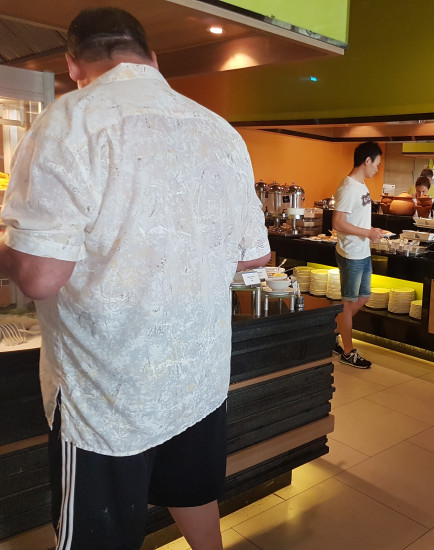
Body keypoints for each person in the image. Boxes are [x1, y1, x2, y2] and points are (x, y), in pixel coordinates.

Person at [0, 8, 270, 549]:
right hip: (196, 374)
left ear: (73, 65)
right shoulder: (219, 131)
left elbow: (39, 276)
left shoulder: (69, 121)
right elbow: (254, 259)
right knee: (193, 492)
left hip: (107, 388)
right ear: (152, 57)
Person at [332, 142, 385, 368]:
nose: (377, 169)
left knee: (364, 297)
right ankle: (348, 350)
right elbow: (337, 223)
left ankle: (330, 331)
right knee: (349, 303)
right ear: (367, 160)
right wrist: (368, 233)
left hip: (363, 251)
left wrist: (371, 232)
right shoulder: (347, 188)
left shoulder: (362, 185)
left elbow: (357, 218)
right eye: (377, 164)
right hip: (351, 253)